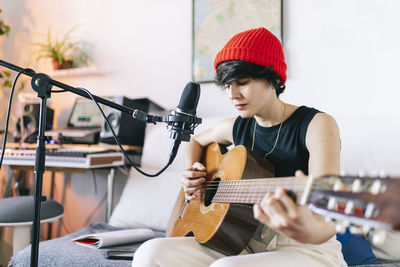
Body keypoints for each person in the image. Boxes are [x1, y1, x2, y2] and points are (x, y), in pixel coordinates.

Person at [132, 27, 376, 267]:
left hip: (305, 250)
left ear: (274, 79)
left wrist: (306, 229)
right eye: (227, 86)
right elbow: (197, 140)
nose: (232, 94)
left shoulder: (317, 125)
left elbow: (325, 218)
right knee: (149, 253)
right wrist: (194, 175)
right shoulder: (237, 127)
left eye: (243, 82)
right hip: (241, 242)